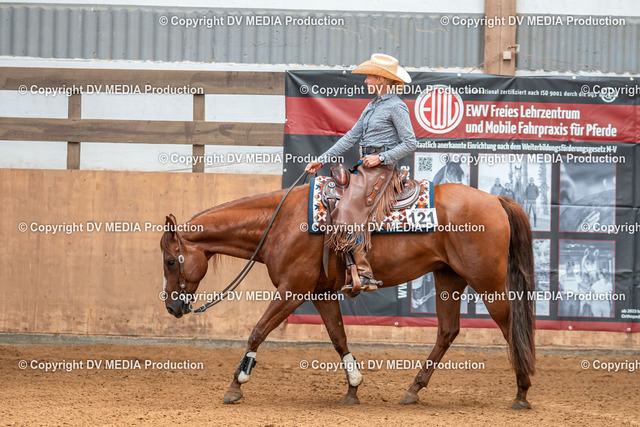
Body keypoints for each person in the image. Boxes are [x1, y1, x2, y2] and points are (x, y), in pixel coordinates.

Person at [305, 53, 417, 293]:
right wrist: (321, 160)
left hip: (381, 169)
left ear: (380, 79)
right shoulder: (372, 105)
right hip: (366, 167)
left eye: (369, 76)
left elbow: (410, 142)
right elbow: (351, 137)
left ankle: (365, 273)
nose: (365, 81)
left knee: (347, 208)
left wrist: (381, 157)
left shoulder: (396, 106)